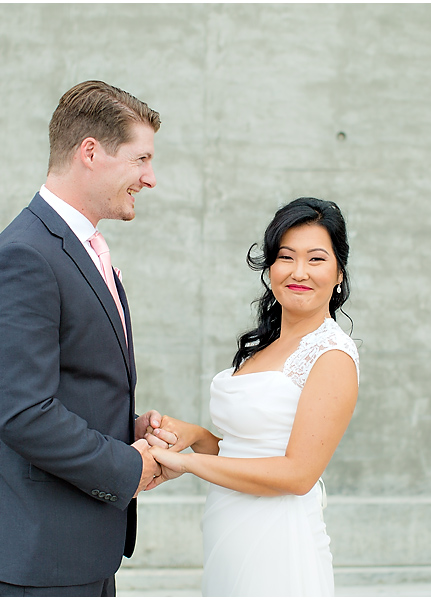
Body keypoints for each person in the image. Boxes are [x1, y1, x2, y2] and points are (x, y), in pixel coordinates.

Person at [0, 80, 174, 596]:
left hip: (79, 549)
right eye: (141, 159)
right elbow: (24, 412)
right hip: (37, 557)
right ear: (91, 153)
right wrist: (129, 465)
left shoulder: (81, 249)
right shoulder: (26, 256)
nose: (150, 178)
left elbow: (69, 385)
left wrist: (128, 426)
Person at [146, 197, 360, 596]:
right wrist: (195, 436)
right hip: (228, 528)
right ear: (270, 268)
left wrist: (185, 465)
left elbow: (297, 475)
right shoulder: (263, 347)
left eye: (315, 259)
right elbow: (242, 455)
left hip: (279, 540)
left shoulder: (332, 354)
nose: (298, 272)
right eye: (285, 257)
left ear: (338, 273)